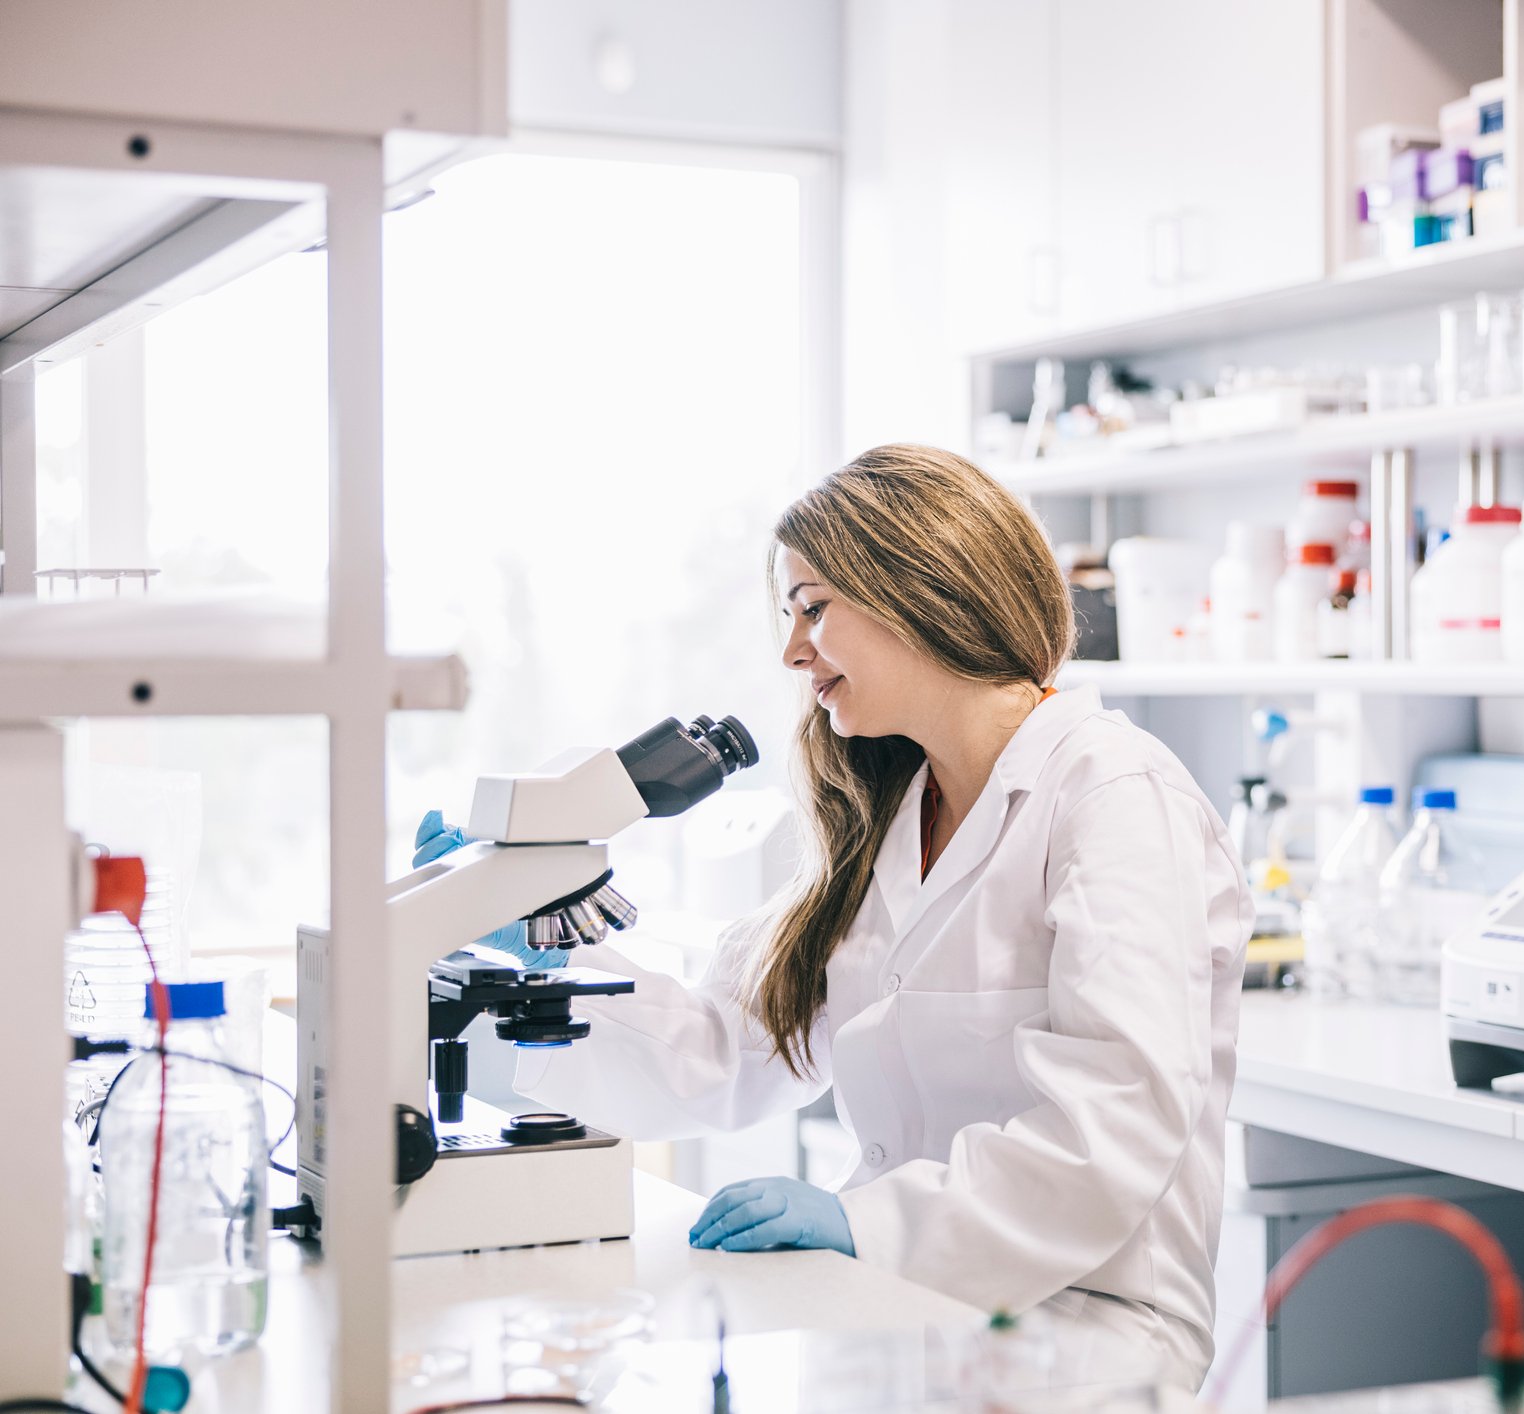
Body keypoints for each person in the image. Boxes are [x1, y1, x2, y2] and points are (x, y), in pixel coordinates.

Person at [414, 444, 1249, 1386]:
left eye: (815, 608)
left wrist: (868, 1222)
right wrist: (528, 965)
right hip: (897, 1313)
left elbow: (1116, 1126)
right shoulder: (890, 816)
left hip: (1088, 1339)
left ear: (923, 587)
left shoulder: (1115, 794)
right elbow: (729, 1047)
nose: (792, 649)